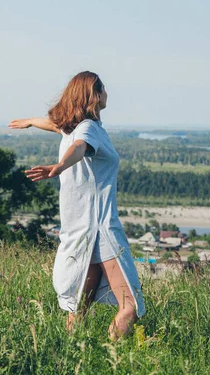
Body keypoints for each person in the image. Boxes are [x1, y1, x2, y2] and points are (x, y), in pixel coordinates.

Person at [9, 71, 146, 340]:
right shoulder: (88, 129)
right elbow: (81, 147)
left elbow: (56, 127)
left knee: (79, 310)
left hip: (81, 232)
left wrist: (31, 122)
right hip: (102, 230)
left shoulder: (71, 129)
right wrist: (59, 167)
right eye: (103, 88)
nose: (107, 93)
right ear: (93, 95)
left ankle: (70, 356)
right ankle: (113, 360)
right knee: (130, 307)